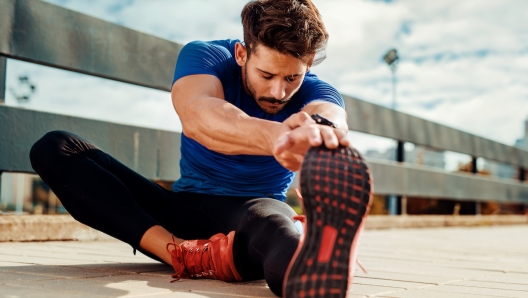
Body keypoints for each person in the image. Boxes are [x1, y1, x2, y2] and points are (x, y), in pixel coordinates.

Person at [29, 0, 372, 297]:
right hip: (181, 210)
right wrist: (278, 136)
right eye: (266, 75)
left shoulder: (320, 91)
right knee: (56, 148)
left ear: (308, 64)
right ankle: (181, 254)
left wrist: (319, 136)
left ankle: (318, 256)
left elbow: (330, 120)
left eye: (292, 79)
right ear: (242, 53)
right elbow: (199, 115)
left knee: (286, 247)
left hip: (254, 212)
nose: (279, 92)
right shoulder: (207, 56)